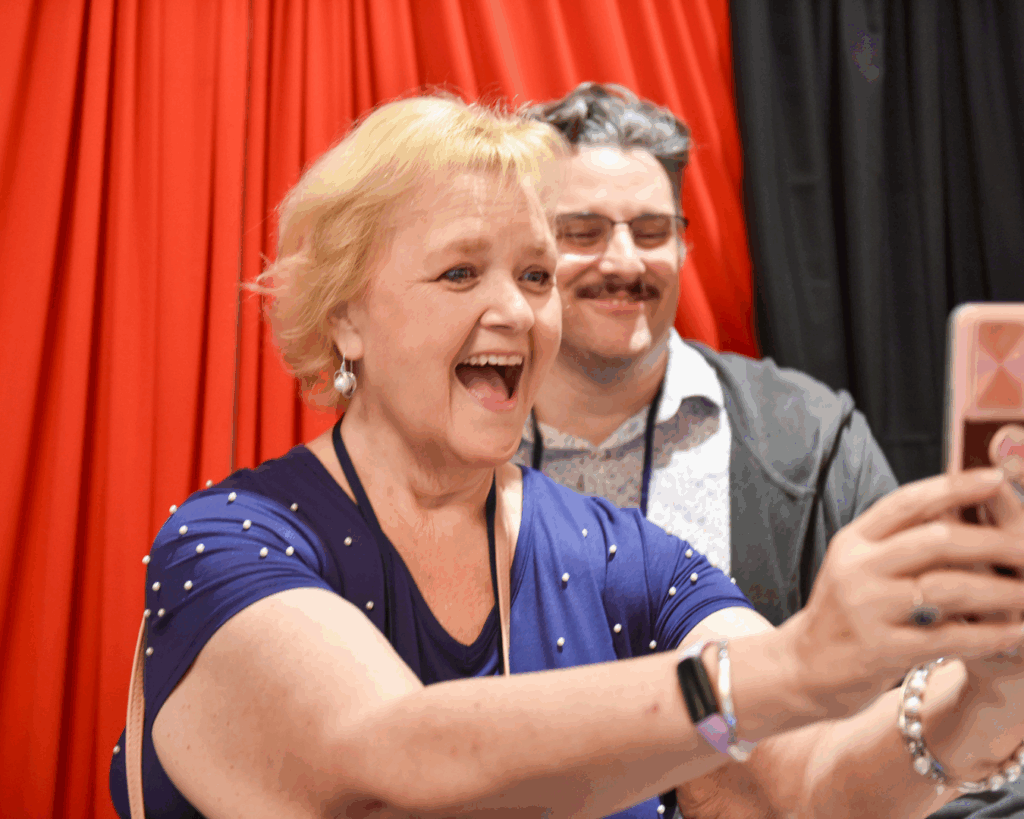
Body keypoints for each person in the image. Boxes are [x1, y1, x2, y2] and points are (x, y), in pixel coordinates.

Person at [108, 93, 1024, 819]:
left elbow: (798, 785)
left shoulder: (626, 558)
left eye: (536, 274)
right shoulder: (226, 544)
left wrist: (980, 698)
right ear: (345, 315)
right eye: (462, 272)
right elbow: (395, 764)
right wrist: (799, 666)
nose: (519, 310)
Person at [519, 82, 1024, 816]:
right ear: (529, 251)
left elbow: (924, 699)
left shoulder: (812, 438)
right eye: (585, 231)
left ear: (686, 243)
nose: (624, 260)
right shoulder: (465, 447)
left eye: (653, 230)